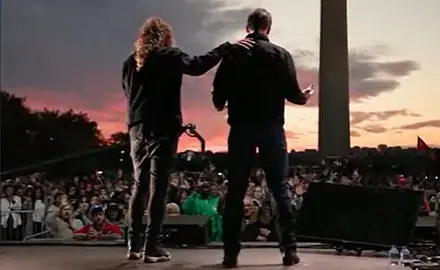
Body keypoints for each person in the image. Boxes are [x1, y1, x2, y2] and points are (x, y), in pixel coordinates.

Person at [122, 16, 254, 263]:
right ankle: (152, 247)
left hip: (137, 128)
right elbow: (197, 66)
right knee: (158, 189)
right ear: (165, 37)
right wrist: (226, 47)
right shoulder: (170, 55)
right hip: (163, 127)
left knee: (139, 187)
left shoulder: (130, 62)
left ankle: (133, 245)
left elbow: (129, 94)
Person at [211, 8, 314, 268]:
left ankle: (230, 254)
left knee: (236, 191)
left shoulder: (233, 54)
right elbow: (294, 95)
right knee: (279, 189)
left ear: (248, 27)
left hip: (241, 128)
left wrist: (227, 100)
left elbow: (217, 100)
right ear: (268, 27)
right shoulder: (280, 54)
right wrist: (306, 95)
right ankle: (289, 250)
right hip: (271, 128)